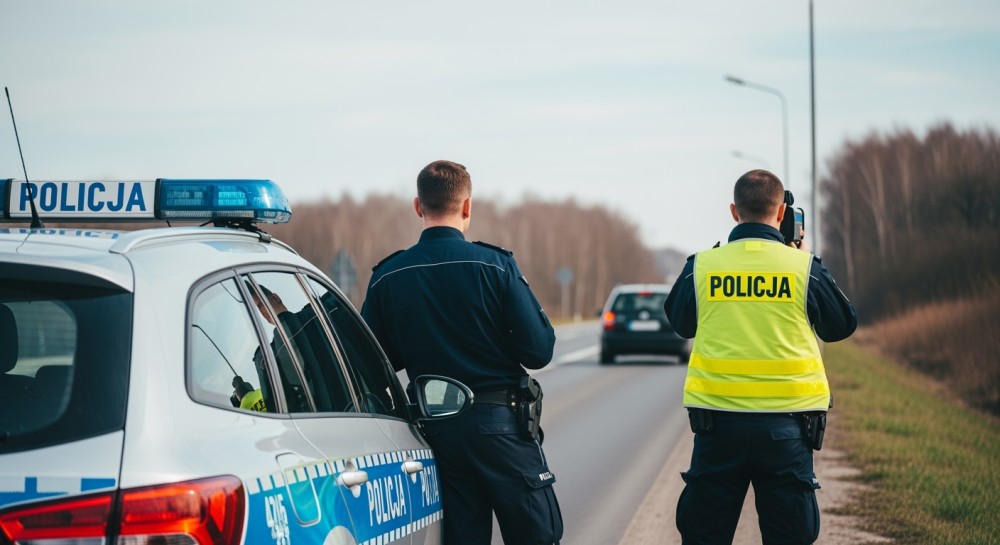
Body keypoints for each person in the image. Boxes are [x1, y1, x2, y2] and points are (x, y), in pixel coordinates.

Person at [361, 160, 562, 545]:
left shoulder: (387, 275)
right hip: (502, 427)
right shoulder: (496, 266)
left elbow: (373, 364)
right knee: (537, 534)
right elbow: (539, 351)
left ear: (418, 206)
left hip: (438, 433)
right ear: (467, 206)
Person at [664, 169, 857, 545]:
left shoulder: (702, 266)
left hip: (718, 429)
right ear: (782, 213)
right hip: (788, 430)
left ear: (734, 211)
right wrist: (804, 262)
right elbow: (841, 325)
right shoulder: (803, 268)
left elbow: (681, 324)